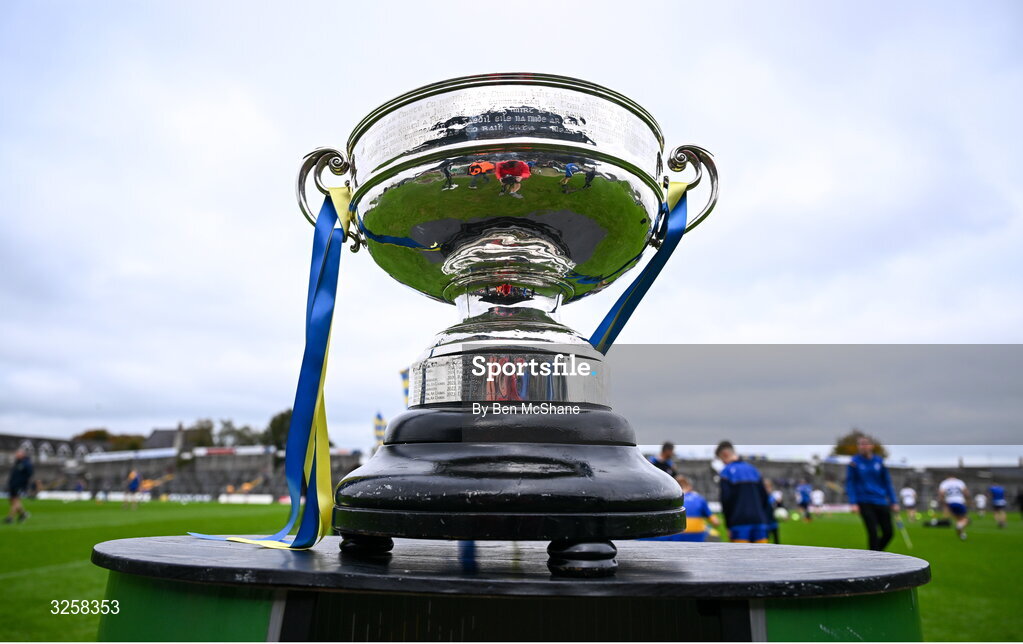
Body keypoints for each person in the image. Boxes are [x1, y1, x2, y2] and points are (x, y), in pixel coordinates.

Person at [845, 436, 899, 551]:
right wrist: (853, 502)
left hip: (881, 500)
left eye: (865, 443)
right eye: (860, 444)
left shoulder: (879, 461)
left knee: (888, 532)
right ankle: (874, 558)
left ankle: (875, 553)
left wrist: (893, 501)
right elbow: (850, 483)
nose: (863, 446)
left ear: (871, 446)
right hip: (864, 501)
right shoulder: (854, 462)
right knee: (873, 532)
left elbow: (887, 482)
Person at [716, 441, 773, 543]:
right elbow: (765, 498)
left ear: (724, 454)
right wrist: (766, 521)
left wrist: (728, 525)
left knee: (739, 557)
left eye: (721, 459)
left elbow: (726, 500)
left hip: (738, 523)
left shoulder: (726, 472)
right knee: (761, 557)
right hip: (759, 521)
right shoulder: (753, 470)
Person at [641, 475, 720, 542]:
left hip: (674, 537)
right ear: (689, 486)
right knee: (711, 532)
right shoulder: (698, 498)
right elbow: (715, 522)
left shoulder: (669, 498)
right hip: (696, 538)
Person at [4, 449, 33, 524]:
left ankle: (10, 518)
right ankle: (23, 514)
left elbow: (29, 474)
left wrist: (24, 484)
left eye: (18, 454)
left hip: (20, 485)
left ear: (22, 454)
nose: (16, 455)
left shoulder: (27, 463)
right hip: (13, 484)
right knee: (12, 500)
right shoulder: (17, 463)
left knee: (16, 500)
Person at [938, 475, 970, 540]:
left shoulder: (944, 482)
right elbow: (966, 492)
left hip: (950, 502)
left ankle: (962, 534)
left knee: (958, 519)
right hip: (959, 501)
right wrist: (968, 500)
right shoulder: (959, 482)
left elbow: (941, 493)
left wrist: (943, 502)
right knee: (966, 519)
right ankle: (960, 527)